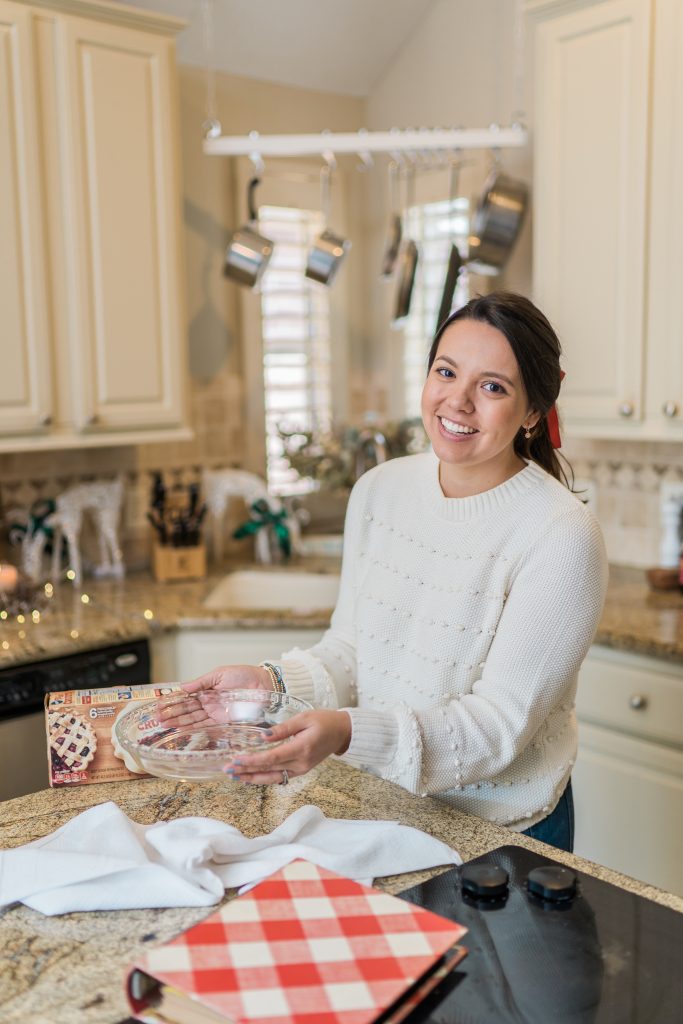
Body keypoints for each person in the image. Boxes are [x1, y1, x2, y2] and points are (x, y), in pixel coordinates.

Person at [182, 292, 608, 852]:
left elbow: (497, 728)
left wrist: (347, 733)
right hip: (385, 812)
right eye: (446, 371)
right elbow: (353, 653)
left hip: (505, 837)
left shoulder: (561, 533)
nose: (457, 402)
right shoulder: (381, 491)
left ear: (532, 413)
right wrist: (269, 684)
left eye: (492, 386)